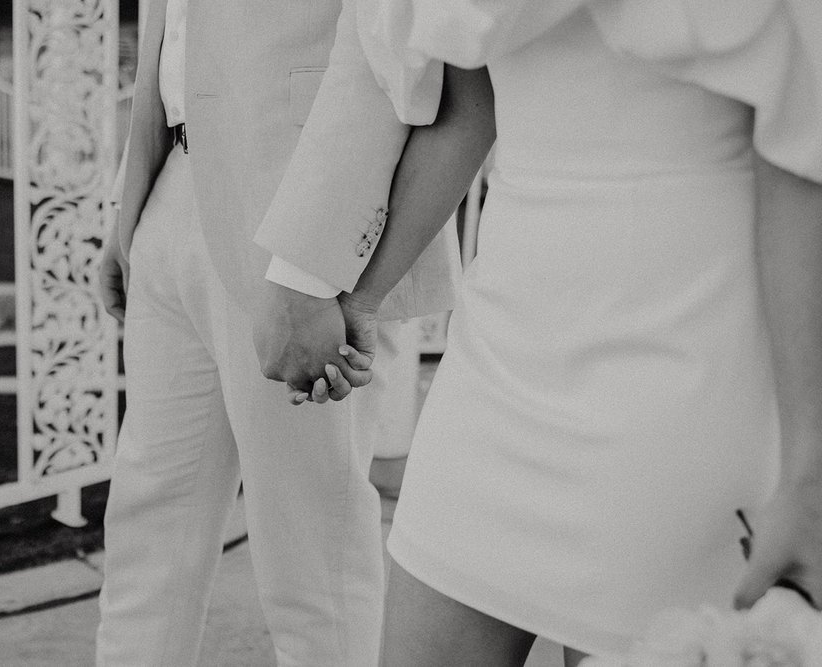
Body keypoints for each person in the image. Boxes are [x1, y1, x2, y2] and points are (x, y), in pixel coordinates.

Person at [255, 1, 822, 665]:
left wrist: (809, 474)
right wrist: (364, 290)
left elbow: (800, 163)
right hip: (503, 344)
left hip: (685, 362)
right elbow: (470, 107)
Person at [93, 0, 461, 664]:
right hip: (171, 192)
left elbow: (391, 51)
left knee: (310, 556)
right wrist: (134, 199)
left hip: (291, 211)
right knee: (148, 527)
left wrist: (321, 263)